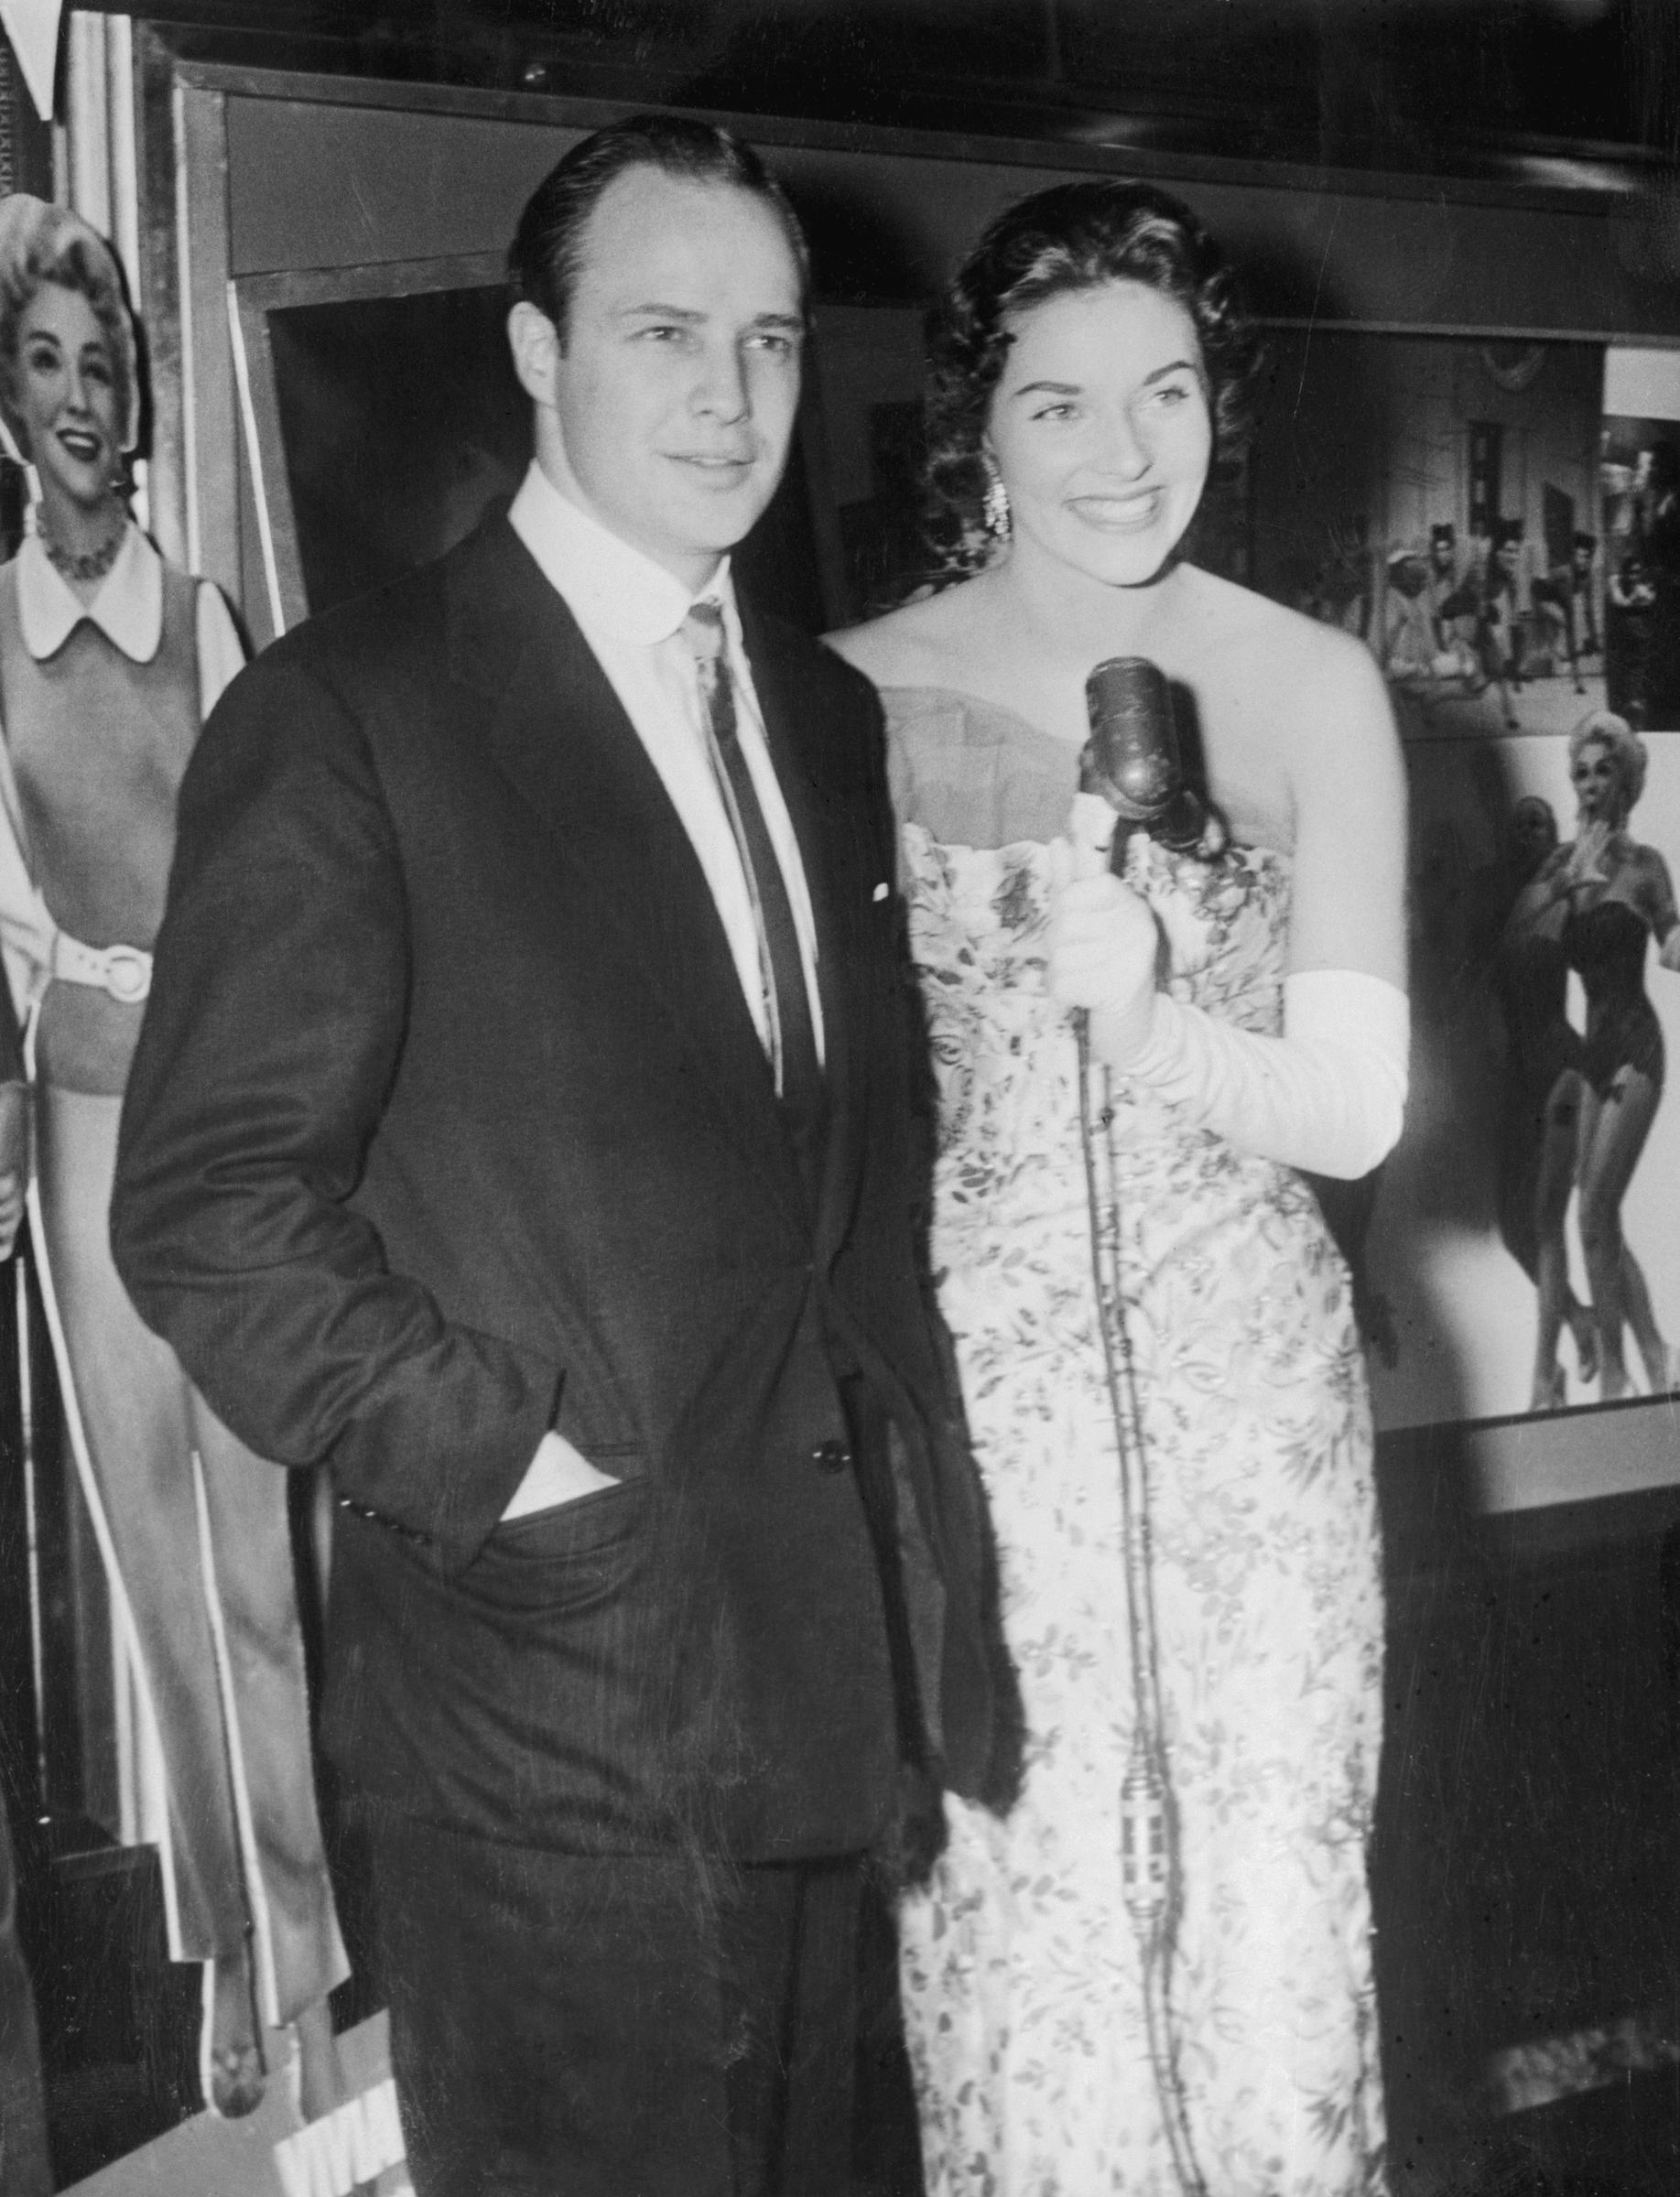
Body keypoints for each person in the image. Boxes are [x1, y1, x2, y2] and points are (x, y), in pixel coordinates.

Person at [111, 115, 1007, 2197]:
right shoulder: (352, 711)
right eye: (664, 330)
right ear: (534, 350)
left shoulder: (815, 714)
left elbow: (828, 1202)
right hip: (548, 1733)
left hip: (806, 1684)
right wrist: (519, 1471)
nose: (729, 394)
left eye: (772, 339)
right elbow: (207, 1204)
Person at [829, 179, 1406, 2194]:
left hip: (1252, 1423)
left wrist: (1154, 1028)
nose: (1119, 452)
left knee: (1264, 1951)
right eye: (1058, 404)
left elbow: (1348, 1109)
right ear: (972, 424)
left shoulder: (1306, 682)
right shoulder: (837, 694)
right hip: (981, 1426)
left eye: (1161, 392)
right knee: (1024, 1952)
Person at [0, 196, 348, 2123]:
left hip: (225, 1129)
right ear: (2, 394)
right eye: (42, 359)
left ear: (135, 404)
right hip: (76, 1130)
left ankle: (310, 1973)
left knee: (265, 1573)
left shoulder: (200, 615)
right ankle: (230, 1964)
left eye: (102, 362)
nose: (77, 392)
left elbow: (281, 887)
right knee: (158, 1587)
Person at [1532, 713, 1680, 1400]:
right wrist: (1566, 888)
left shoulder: (1645, 866)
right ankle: (1654, 1352)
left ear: (1625, 780)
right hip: (1592, 1053)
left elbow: (1672, 946)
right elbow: (1523, 944)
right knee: (1598, 1219)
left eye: (1603, 771)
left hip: (1636, 1046)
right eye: (1581, 773)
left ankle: (1616, 1379)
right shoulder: (1562, 865)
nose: (1590, 784)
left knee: (1592, 1215)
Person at [1486, 796, 1597, 1409]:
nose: (1529, 829)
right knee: (1513, 1228)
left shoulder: (1558, 895)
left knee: (1544, 1226)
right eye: (1520, 821)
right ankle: (1578, 1322)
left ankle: (1542, 1381)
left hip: (1557, 1066)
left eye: (1540, 822)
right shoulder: (1506, 901)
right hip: (1518, 1075)